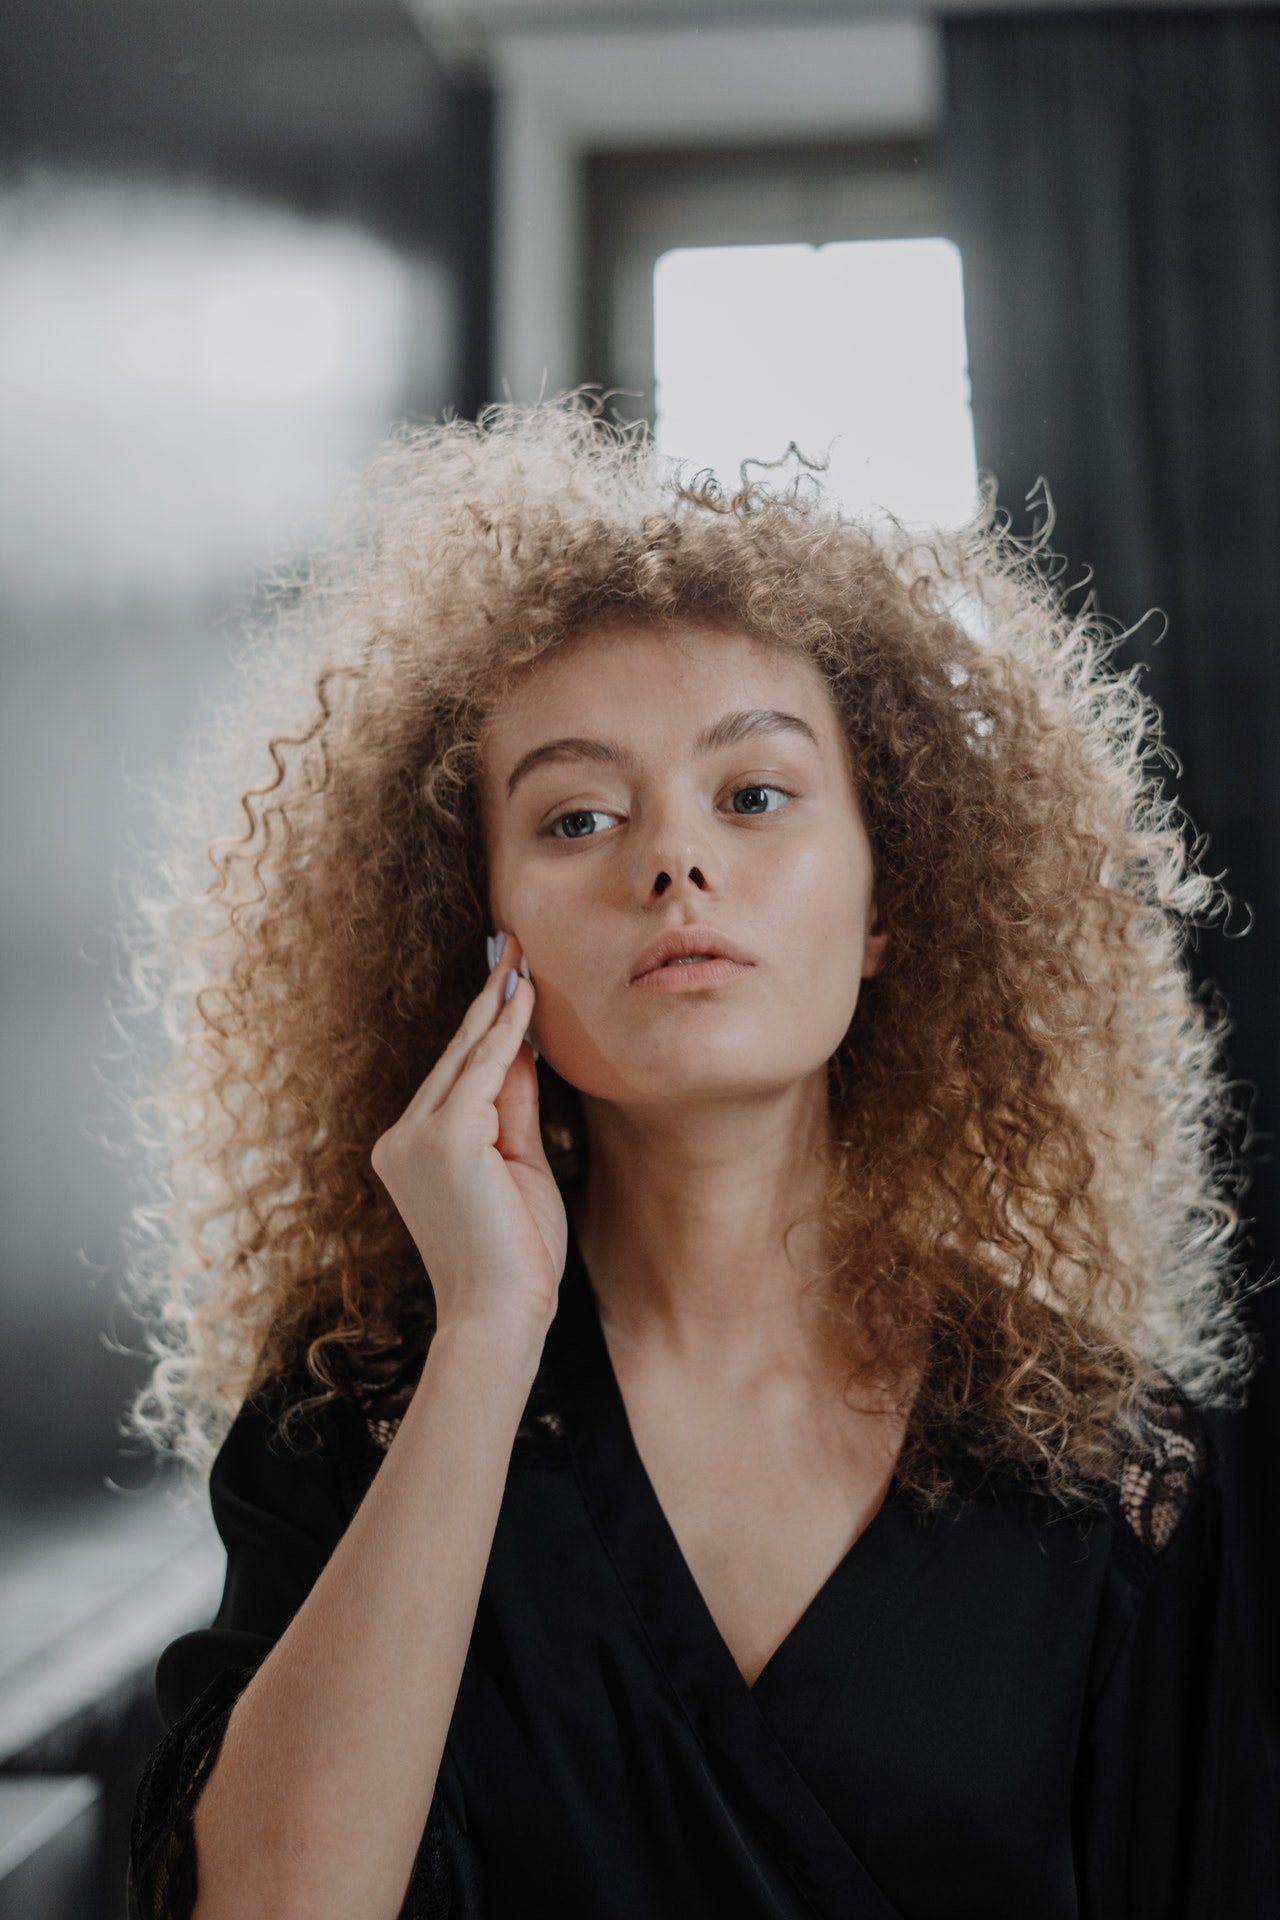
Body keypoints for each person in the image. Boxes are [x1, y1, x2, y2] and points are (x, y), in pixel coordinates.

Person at [126, 400, 1276, 1920]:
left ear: (887, 904)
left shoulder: (1112, 1471)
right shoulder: (353, 1419)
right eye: (578, 817)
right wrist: (487, 1335)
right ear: (480, 937)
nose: (675, 862)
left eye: (754, 796)